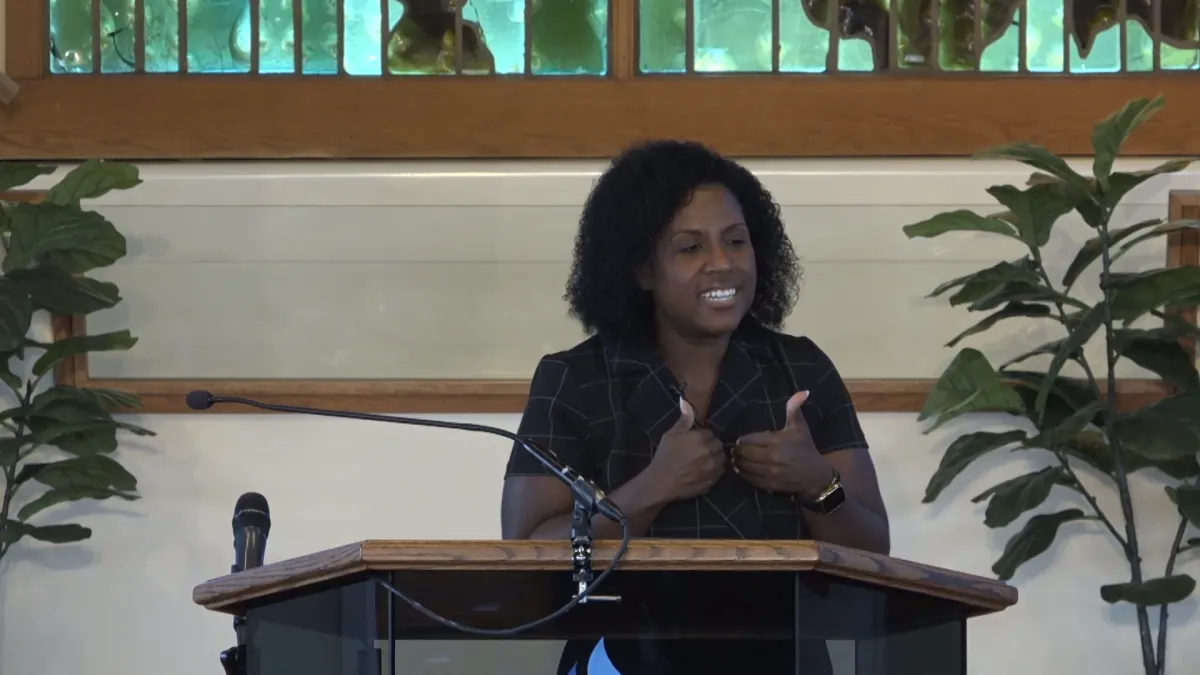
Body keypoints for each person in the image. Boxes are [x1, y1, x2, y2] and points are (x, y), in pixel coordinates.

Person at [500, 140, 890, 674]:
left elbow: (874, 554)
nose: (723, 263)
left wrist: (816, 481)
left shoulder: (800, 369)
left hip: (781, 660)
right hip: (623, 660)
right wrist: (652, 487)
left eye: (736, 241)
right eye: (690, 248)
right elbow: (527, 554)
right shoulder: (576, 379)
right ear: (642, 269)